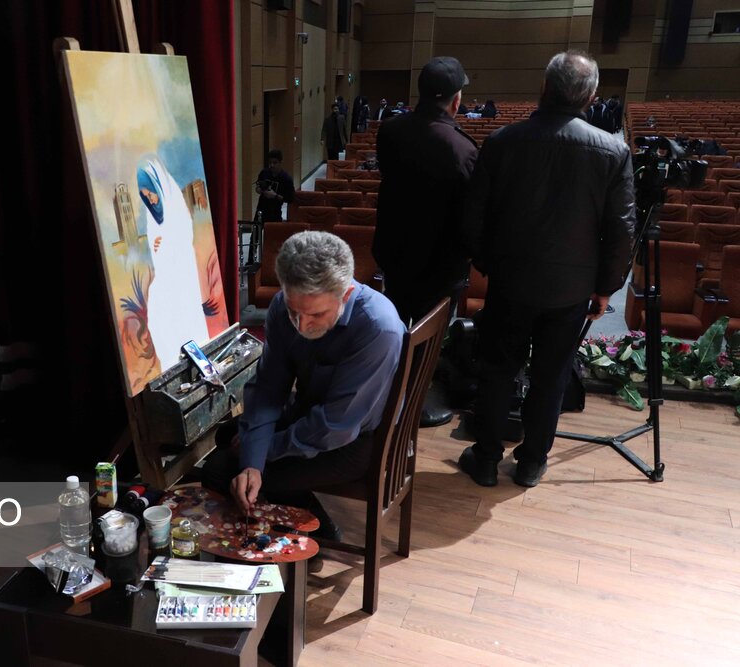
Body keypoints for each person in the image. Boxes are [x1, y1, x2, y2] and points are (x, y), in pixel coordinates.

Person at [459, 51, 635, 488]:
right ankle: (532, 462)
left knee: (498, 369)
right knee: (550, 377)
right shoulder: (614, 151)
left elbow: (473, 216)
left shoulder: (502, 141)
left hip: (510, 281)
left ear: (544, 87)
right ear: (591, 97)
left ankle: (485, 460)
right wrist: (606, 288)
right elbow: (621, 230)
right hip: (571, 288)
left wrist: (488, 263)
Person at [201, 231, 405, 560]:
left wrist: (263, 453)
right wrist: (253, 460)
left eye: (316, 315)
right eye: (294, 311)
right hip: (313, 414)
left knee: (220, 468)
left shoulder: (377, 327)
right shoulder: (283, 305)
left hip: (359, 439)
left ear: (346, 294)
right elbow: (268, 388)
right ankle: (300, 520)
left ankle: (305, 542)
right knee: (230, 439)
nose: (302, 324)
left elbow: (336, 426)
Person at [373, 56, 478, 428]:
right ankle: (414, 408)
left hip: (395, 252)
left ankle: (385, 398)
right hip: (440, 264)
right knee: (428, 337)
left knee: (394, 326)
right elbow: (468, 212)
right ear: (455, 100)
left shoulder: (390, 131)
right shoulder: (462, 149)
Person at [136, 156, 210, 371]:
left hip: (181, 274)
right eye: (144, 196)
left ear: (157, 187)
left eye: (150, 193)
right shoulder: (152, 214)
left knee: (181, 318)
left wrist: (166, 243)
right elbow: (154, 242)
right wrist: (156, 246)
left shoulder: (174, 201)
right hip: (165, 275)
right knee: (158, 317)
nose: (150, 199)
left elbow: (184, 234)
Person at [255, 149, 295, 222]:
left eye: (275, 162)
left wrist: (275, 196)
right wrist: (260, 190)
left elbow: (290, 199)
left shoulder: (286, 179)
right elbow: (257, 187)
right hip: (261, 209)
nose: (272, 165)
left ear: (280, 162)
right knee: (256, 228)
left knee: (274, 229)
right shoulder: (264, 173)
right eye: (270, 162)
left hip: (275, 212)